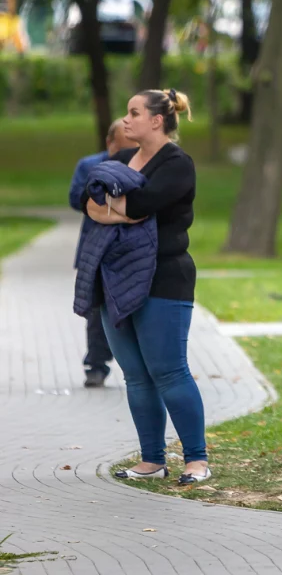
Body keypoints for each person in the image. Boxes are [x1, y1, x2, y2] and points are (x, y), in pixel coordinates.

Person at [82, 88, 211, 485]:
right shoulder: (120, 158)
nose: (126, 119)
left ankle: (197, 461)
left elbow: (139, 206)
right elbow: (90, 204)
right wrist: (123, 212)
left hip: (164, 278)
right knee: (135, 375)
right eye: (127, 113)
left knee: (169, 372)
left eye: (134, 112)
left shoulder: (177, 163)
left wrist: (117, 210)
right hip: (115, 276)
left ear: (157, 120)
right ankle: (152, 460)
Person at [68, 118, 134, 388]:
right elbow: (75, 199)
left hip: (130, 250)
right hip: (96, 249)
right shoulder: (88, 165)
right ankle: (96, 364)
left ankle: (132, 364)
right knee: (96, 310)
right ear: (110, 143)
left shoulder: (142, 165)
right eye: (123, 146)